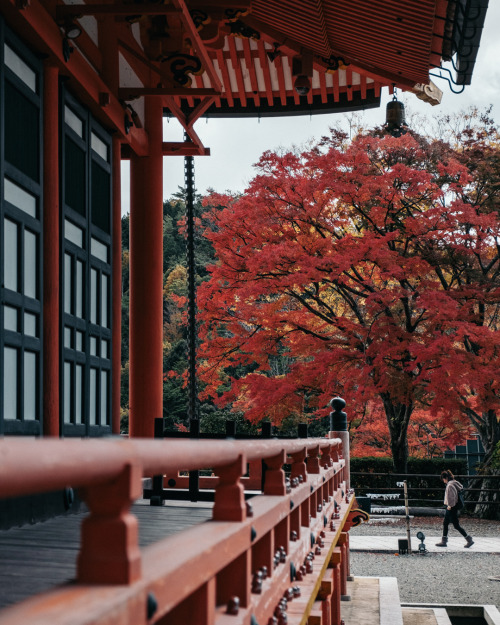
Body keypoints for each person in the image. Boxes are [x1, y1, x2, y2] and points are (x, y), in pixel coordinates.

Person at [435, 470, 474, 548]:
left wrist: (450, 505)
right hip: (453, 507)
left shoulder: (450, 485)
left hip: (451, 507)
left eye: (443, 479)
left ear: (445, 478)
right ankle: (444, 541)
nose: (443, 481)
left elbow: (452, 497)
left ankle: (469, 540)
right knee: (447, 523)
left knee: (455, 525)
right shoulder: (454, 483)